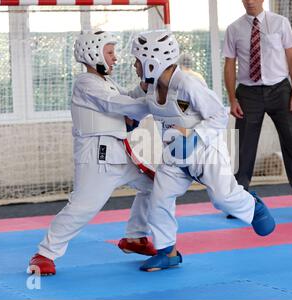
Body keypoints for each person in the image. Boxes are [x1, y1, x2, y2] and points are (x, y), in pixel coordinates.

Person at [82, 30, 277, 272]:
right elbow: (130, 103)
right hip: (174, 156)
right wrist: (101, 99)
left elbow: (218, 114)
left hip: (206, 153)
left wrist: (195, 137)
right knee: (159, 198)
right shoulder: (150, 88)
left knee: (222, 199)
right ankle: (168, 252)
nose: (134, 65)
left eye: (137, 61)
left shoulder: (187, 84)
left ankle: (253, 205)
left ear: (153, 61)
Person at [28, 31, 156, 276]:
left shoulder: (104, 82)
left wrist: (144, 87)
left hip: (119, 153)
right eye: (110, 53)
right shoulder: (85, 82)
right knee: (82, 208)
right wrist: (154, 104)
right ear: (93, 54)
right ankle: (45, 253)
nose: (115, 58)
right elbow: (114, 104)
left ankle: (136, 237)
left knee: (154, 185)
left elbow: (125, 97)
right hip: (97, 157)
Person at [223, 0, 292, 217]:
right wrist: (232, 99)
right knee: (245, 150)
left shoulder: (281, 23)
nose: (249, 1)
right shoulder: (234, 29)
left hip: (280, 91)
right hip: (248, 93)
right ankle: (238, 204)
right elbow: (229, 64)